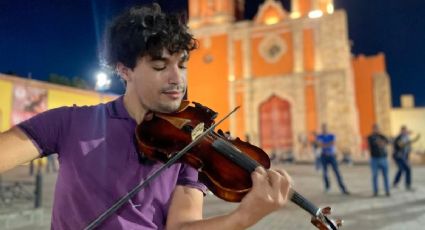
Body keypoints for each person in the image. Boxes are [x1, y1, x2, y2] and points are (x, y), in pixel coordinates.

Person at [0, 4, 292, 229]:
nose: (177, 79)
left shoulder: (191, 146)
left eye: (182, 64)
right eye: (159, 66)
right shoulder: (68, 123)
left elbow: (181, 225)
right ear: (124, 70)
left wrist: (242, 218)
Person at [316, 123, 350, 195]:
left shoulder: (331, 135)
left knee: (337, 172)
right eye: (323, 128)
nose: (324, 129)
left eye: (325, 128)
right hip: (324, 156)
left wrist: (324, 144)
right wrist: (328, 144)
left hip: (331, 156)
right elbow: (319, 144)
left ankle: (343, 188)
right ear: (322, 129)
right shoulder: (319, 136)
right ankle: (327, 186)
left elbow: (333, 143)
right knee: (325, 173)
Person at [392, 125, 420, 191]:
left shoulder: (406, 137)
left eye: (405, 131)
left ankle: (407, 184)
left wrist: (407, 159)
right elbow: (400, 145)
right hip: (398, 157)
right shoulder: (398, 138)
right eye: (403, 131)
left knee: (407, 169)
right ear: (401, 131)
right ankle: (396, 183)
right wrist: (408, 142)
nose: (405, 132)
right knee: (402, 169)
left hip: (404, 157)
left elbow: (408, 149)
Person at [367, 124, 390, 197]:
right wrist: (381, 142)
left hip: (383, 158)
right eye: (375, 129)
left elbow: (388, 141)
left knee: (385, 176)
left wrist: (382, 141)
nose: (376, 130)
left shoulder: (382, 136)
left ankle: (387, 191)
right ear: (373, 129)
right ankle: (375, 191)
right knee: (375, 176)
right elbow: (376, 143)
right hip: (374, 159)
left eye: (378, 129)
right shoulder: (370, 137)